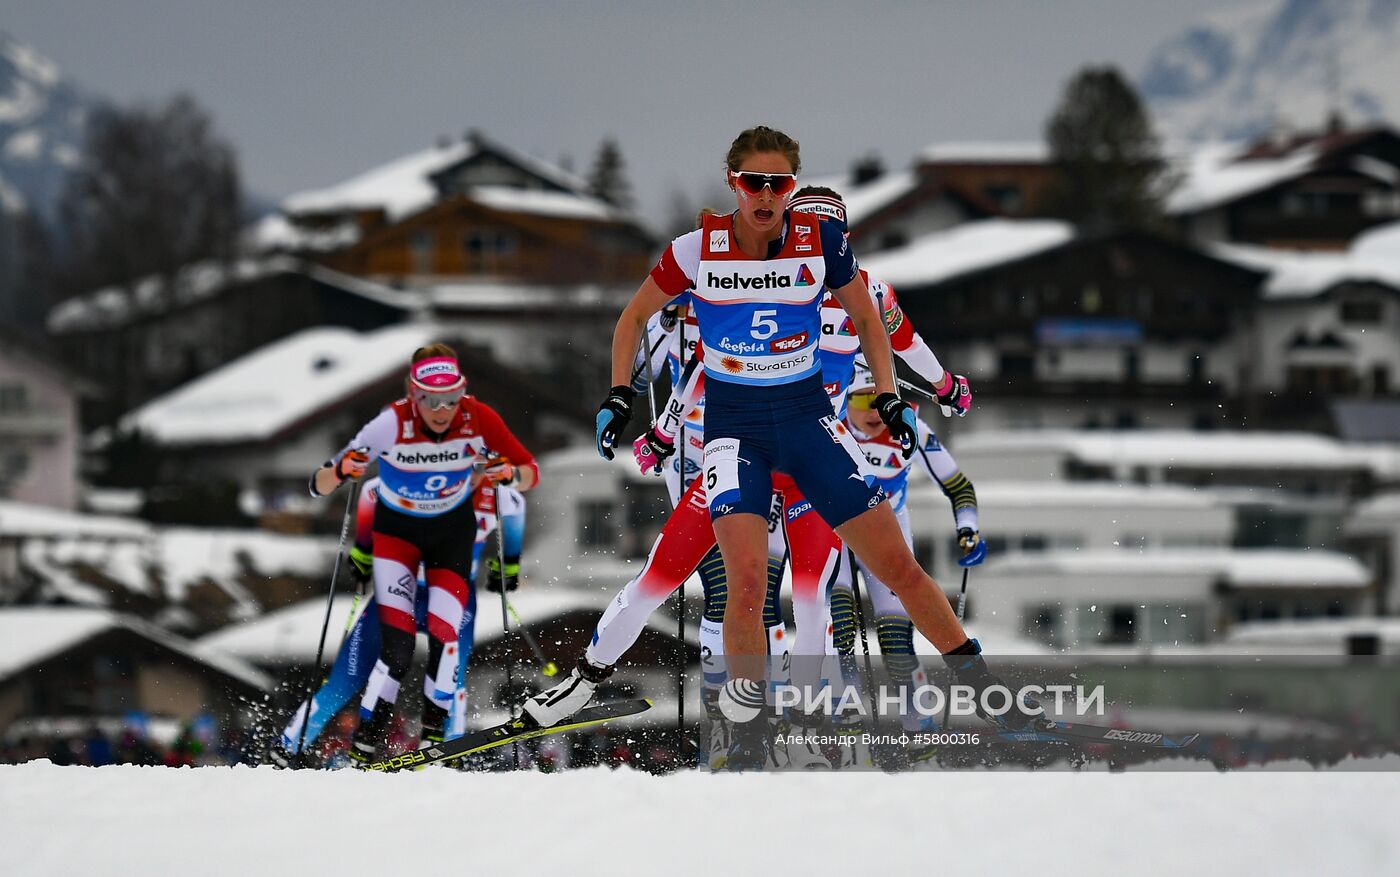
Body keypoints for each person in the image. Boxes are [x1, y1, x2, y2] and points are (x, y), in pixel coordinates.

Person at [589, 126, 1036, 733]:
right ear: (734, 184)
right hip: (735, 434)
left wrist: (898, 395)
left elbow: (879, 326)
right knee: (746, 584)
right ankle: (745, 726)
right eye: (755, 183)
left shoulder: (830, 252)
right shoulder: (699, 250)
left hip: (810, 428)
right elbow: (647, 328)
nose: (767, 195)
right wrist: (628, 402)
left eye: (780, 184)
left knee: (888, 571)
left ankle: (981, 690)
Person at [309, 343, 538, 763]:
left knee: (445, 640)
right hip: (399, 541)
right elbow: (320, 483)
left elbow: (529, 475)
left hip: (451, 537)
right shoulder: (389, 423)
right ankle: (364, 741)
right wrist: (344, 470)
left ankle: (434, 738)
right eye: (431, 399)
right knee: (395, 653)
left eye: (451, 398)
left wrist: (509, 474)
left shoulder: (480, 418)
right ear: (413, 394)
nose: (442, 409)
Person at [272, 477, 527, 764]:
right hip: (399, 591)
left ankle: (448, 752)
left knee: (451, 680)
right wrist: (364, 548)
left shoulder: (497, 495)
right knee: (345, 680)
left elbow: (517, 507)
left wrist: (509, 564)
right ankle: (286, 749)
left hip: (454, 597)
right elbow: (370, 492)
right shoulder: (411, 478)